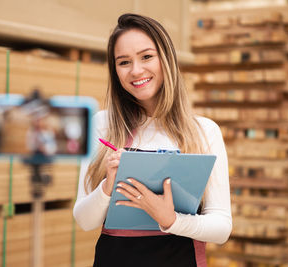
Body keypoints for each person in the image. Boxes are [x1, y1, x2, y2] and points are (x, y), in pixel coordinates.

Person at [73, 13, 232, 267]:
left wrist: (171, 220)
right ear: (115, 71)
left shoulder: (204, 131)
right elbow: (84, 220)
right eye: (124, 62)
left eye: (147, 57)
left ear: (166, 60)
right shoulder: (102, 125)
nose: (136, 70)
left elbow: (222, 227)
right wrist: (106, 186)